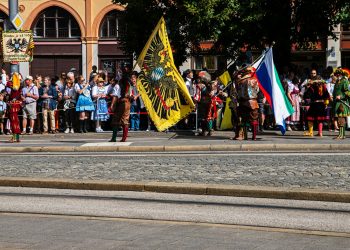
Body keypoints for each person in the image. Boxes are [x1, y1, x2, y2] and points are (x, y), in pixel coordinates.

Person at [235, 67, 260, 140]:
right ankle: (254, 136)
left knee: (243, 119)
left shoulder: (240, 81)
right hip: (253, 102)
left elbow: (237, 91)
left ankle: (243, 135)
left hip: (243, 101)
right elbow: (257, 90)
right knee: (254, 119)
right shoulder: (254, 80)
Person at [109, 64, 132, 142]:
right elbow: (131, 95)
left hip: (121, 103)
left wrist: (112, 106)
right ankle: (124, 139)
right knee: (125, 120)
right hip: (128, 103)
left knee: (115, 120)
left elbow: (115, 96)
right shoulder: (129, 84)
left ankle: (114, 138)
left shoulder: (118, 85)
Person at [3, 70, 22, 142]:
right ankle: (17, 137)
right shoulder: (19, 85)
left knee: (13, 121)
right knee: (16, 121)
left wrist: (6, 99)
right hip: (17, 105)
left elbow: (7, 93)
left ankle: (14, 137)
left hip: (11, 105)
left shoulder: (9, 83)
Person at [333, 68, 350, 139]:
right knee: (338, 118)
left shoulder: (345, 81)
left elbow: (348, 92)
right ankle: (341, 134)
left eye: (338, 74)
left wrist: (341, 96)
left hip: (342, 103)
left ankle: (342, 135)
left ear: (341, 74)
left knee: (341, 119)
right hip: (336, 102)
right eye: (336, 74)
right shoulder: (337, 82)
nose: (337, 75)